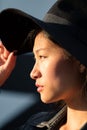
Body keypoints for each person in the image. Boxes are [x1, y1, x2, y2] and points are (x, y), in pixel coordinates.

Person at [0, 0, 87, 129]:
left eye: (42, 56)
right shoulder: (35, 125)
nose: (33, 73)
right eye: (35, 59)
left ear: (79, 61)